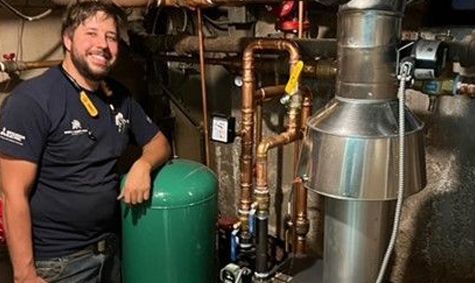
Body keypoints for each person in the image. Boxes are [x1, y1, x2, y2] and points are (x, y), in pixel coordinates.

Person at [0, 1, 171, 282]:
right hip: (60, 263)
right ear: (68, 39)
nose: (102, 44)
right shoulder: (31, 101)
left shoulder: (119, 97)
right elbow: (12, 194)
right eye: (91, 33)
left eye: (111, 37)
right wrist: (25, 274)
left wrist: (144, 164)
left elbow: (159, 143)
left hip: (111, 251)